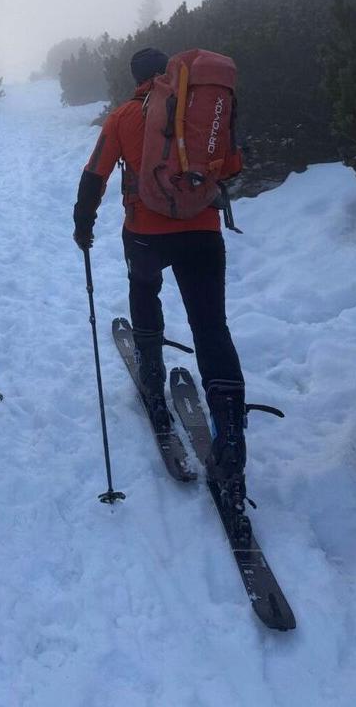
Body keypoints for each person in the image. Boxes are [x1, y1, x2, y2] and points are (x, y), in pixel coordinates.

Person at [72, 46, 248, 510]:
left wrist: (82, 222)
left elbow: (96, 174)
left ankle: (150, 367)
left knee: (144, 288)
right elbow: (232, 164)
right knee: (211, 327)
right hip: (203, 234)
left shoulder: (123, 117)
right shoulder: (200, 111)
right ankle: (230, 430)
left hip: (146, 234)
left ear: (133, 77)